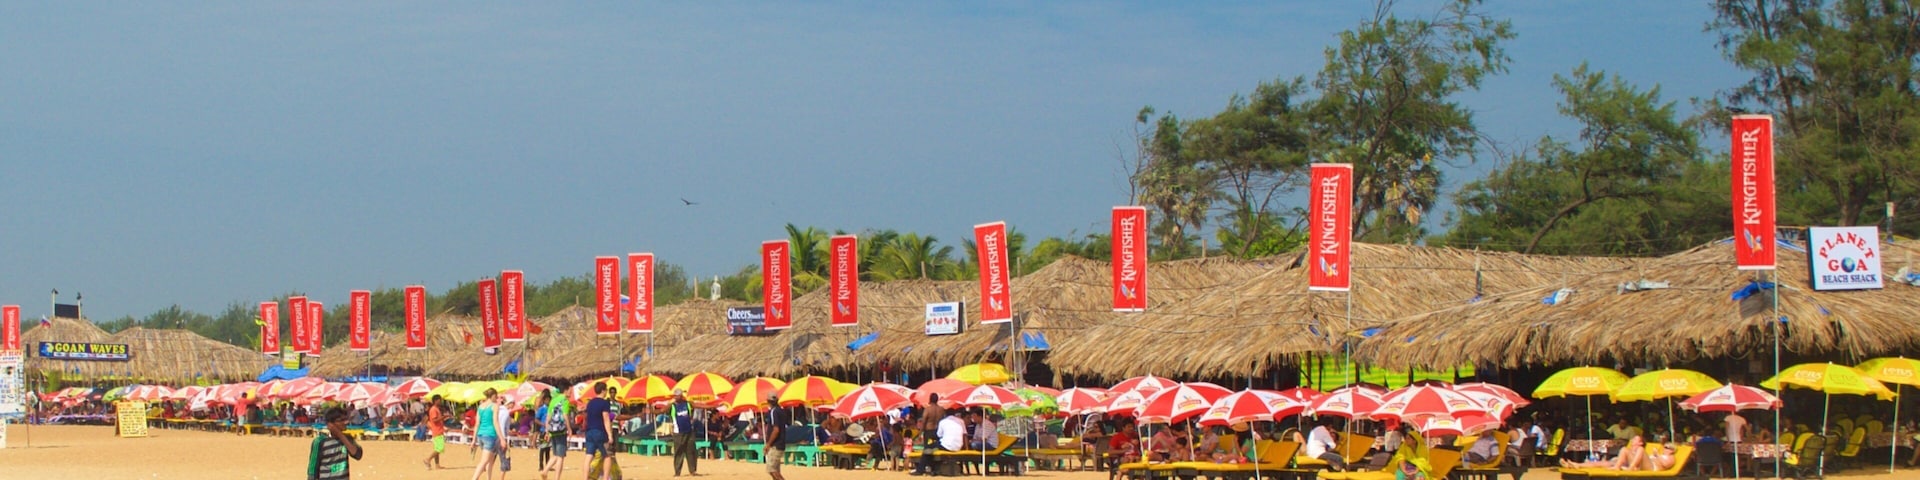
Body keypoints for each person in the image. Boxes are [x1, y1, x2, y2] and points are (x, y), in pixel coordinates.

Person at [309, 407, 365, 480]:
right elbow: (312, 471)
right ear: (330, 424)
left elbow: (357, 455)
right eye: (341, 420)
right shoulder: (320, 442)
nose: (346, 422)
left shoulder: (347, 439)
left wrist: (340, 435)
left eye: (345, 419)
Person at [470, 389, 507, 480]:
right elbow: (495, 422)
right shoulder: (494, 406)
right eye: (496, 396)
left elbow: (477, 424)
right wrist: (502, 438)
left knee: (490, 460)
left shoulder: (481, 406)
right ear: (493, 395)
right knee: (484, 461)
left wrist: (474, 439)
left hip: (481, 435)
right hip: (490, 435)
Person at [583, 382, 615, 480]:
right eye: (606, 390)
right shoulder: (604, 403)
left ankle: (584, 478)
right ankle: (605, 478)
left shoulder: (590, 403)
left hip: (589, 431)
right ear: (603, 391)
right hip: (600, 431)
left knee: (589, 456)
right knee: (607, 455)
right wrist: (610, 435)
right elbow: (606, 419)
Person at [910, 395, 949, 475]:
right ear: (937, 400)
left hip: (928, 431)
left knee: (927, 450)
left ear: (930, 399)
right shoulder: (941, 410)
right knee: (935, 449)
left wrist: (920, 433)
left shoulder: (928, 409)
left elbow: (924, 421)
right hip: (938, 431)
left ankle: (922, 469)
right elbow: (944, 420)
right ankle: (934, 468)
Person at [1561, 435, 1648, 471]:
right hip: (1623, 464)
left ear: (1641, 443)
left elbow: (1637, 464)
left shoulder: (1640, 449)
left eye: (1635, 439)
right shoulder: (1630, 450)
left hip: (1629, 467)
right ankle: (1577, 465)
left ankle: (1616, 467)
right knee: (1599, 463)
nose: (1632, 440)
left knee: (1624, 449)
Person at [541, 390, 572, 480]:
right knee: (560, 457)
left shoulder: (553, 401)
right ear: (566, 390)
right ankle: (557, 478)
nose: (571, 393)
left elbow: (548, 416)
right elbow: (565, 415)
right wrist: (569, 428)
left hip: (553, 430)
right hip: (561, 431)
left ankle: (545, 470)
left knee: (555, 454)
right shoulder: (565, 401)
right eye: (570, 390)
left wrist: (547, 430)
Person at [669, 389, 700, 476]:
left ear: (681, 395)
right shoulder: (672, 406)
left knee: (691, 451)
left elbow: (699, 405)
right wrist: (651, 411)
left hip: (689, 431)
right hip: (678, 433)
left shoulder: (687, 404)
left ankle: (693, 470)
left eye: (678, 395)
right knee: (679, 452)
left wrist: (713, 405)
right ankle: (677, 472)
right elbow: (661, 411)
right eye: (675, 395)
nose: (677, 397)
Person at [763, 394, 790, 480]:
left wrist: (768, 444)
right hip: (781, 443)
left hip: (776, 444)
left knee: (772, 470)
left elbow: (776, 430)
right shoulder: (781, 411)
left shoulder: (773, 412)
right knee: (776, 470)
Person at [423, 396, 448, 470]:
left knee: (437, 448)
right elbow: (434, 420)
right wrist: (443, 417)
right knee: (440, 448)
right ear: (435, 401)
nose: (440, 401)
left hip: (438, 430)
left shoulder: (435, 409)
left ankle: (437, 465)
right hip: (437, 430)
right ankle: (428, 459)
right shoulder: (434, 409)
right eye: (439, 400)